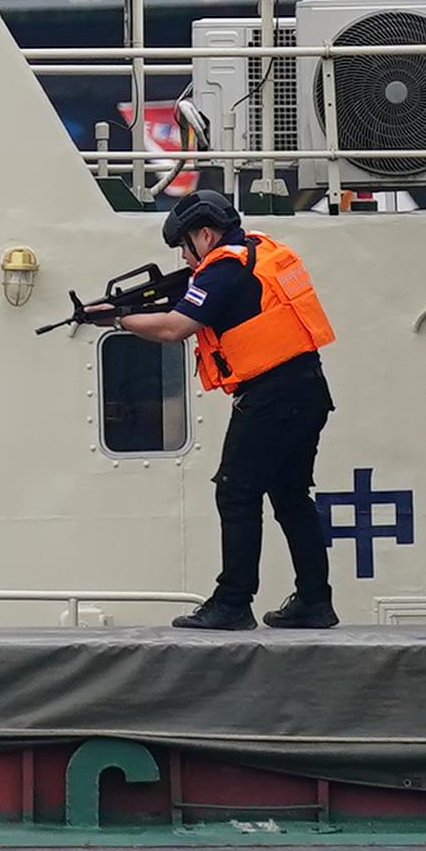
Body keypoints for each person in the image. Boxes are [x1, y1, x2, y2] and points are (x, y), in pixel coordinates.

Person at [104, 187, 337, 632]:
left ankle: (232, 602)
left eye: (185, 248)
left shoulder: (223, 269)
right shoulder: (258, 252)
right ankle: (314, 600)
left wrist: (117, 319)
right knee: (290, 496)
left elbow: (176, 328)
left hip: (273, 396)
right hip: (306, 390)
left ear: (204, 234)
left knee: (235, 491)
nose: (186, 261)